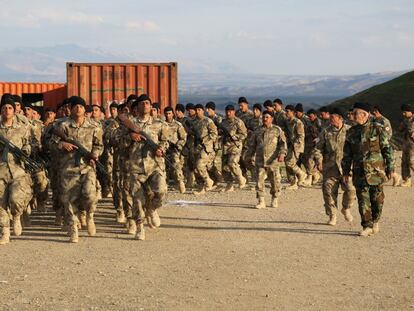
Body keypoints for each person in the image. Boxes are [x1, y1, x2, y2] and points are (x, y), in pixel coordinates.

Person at [53, 96, 104, 243]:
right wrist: (62, 144)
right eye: (75, 106)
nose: (78, 108)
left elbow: (99, 145)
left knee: (90, 195)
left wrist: (94, 155)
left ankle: (90, 215)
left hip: (87, 167)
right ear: (71, 108)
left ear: (84, 109)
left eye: (81, 106)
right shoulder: (62, 126)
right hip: (68, 168)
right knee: (68, 200)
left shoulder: (94, 126)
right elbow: (50, 141)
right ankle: (73, 228)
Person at [120, 94, 169, 240]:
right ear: (138, 107)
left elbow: (165, 141)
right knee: (137, 199)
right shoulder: (129, 123)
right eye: (142, 103)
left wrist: (162, 149)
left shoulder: (159, 124)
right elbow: (117, 141)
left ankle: (152, 209)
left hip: (155, 165)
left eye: (148, 103)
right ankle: (140, 227)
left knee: (161, 191)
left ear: (151, 106)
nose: (145, 105)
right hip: (135, 166)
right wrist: (130, 137)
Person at [342, 102, 395, 237]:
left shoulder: (377, 129)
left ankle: (375, 220)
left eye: (355, 113)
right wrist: (346, 172)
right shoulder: (351, 132)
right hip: (359, 172)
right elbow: (347, 154)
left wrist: (391, 168)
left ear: (364, 114)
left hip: (376, 172)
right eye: (352, 113)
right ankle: (367, 225)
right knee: (362, 200)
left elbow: (387, 149)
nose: (352, 116)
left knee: (378, 200)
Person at [313, 107, 355, 225]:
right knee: (329, 192)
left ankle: (346, 208)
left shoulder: (350, 130)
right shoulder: (326, 132)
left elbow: (357, 148)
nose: (331, 119)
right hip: (330, 167)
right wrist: (319, 161)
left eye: (333, 117)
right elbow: (318, 148)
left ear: (340, 118)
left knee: (351, 190)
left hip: (347, 167)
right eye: (330, 116)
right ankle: (332, 215)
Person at [0, 95, 33, 245]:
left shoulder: (22, 128)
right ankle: (5, 232)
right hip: (1, 169)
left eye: (10, 108)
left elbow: (28, 145)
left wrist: (24, 152)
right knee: (0, 202)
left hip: (18, 169)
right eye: (4, 108)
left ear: (14, 111)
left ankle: (17, 216)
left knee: (15, 199)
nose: (7, 110)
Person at [246, 111, 287, 209]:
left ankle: (275, 198)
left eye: (267, 117)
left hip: (273, 161)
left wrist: (282, 154)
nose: (265, 119)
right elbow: (252, 145)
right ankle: (261, 201)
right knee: (259, 180)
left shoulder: (277, 130)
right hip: (260, 160)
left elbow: (283, 144)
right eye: (264, 117)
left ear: (271, 118)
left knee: (275, 181)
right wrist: (248, 156)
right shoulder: (257, 130)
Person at [219, 104, 247, 192]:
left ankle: (241, 178)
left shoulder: (238, 122)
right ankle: (229, 184)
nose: (228, 113)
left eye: (230, 111)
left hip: (235, 146)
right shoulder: (223, 122)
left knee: (232, 163)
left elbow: (244, 134)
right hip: (226, 146)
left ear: (234, 112)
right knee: (224, 167)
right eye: (227, 111)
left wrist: (234, 136)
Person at [191, 104, 218, 194]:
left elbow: (214, 134)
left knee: (200, 165)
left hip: (206, 147)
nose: (198, 111)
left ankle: (209, 181)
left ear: (203, 111)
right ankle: (201, 187)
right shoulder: (193, 121)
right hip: (196, 147)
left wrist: (205, 140)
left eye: (199, 110)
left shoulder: (208, 121)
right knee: (196, 169)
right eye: (196, 110)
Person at [372, 105, 401, 186]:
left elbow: (388, 134)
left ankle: (395, 176)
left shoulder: (384, 121)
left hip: (383, 145)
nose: (373, 112)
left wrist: (383, 143)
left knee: (386, 163)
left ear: (378, 111)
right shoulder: (374, 120)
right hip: (375, 145)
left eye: (375, 111)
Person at [284, 105, 309, 190]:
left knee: (290, 162)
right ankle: (293, 183)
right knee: (287, 163)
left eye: (288, 111)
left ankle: (302, 174)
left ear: (293, 113)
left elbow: (301, 136)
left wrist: (295, 146)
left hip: (297, 146)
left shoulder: (297, 122)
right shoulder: (288, 121)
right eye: (286, 111)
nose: (286, 113)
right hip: (291, 145)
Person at [164, 106, 187, 193]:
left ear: (173, 114)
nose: (168, 115)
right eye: (166, 113)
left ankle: (181, 182)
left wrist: (178, 146)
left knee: (176, 166)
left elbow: (183, 137)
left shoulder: (178, 125)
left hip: (174, 149)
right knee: (163, 167)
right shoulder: (162, 124)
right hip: (164, 149)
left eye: (169, 113)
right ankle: (164, 185)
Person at [398, 104, 414, 187]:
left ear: (409, 111)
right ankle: (407, 180)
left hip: (413, 145)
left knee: (411, 162)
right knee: (404, 162)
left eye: (404, 112)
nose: (403, 114)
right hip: (406, 144)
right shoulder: (405, 120)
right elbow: (400, 129)